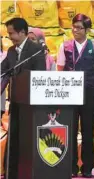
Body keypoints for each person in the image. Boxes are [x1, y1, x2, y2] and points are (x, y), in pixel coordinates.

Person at [57, 14, 94, 178]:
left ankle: (87, 167)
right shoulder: (64, 46)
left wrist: (92, 90)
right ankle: (70, 166)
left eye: (79, 28)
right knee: (69, 131)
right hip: (69, 94)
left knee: (88, 131)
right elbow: (60, 70)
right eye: (74, 27)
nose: (75, 30)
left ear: (87, 30)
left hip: (89, 94)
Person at [1, 17, 46, 179]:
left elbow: (40, 77)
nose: (9, 37)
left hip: (31, 107)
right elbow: (4, 71)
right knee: (13, 139)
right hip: (15, 103)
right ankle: (11, 173)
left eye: (11, 33)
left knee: (28, 142)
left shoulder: (36, 50)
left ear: (22, 32)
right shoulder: (12, 51)